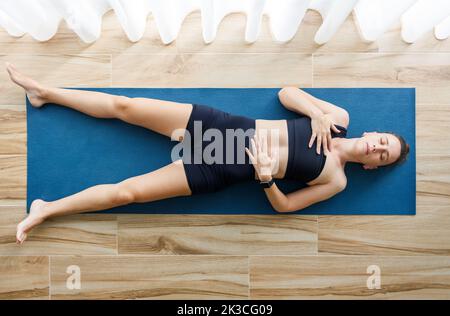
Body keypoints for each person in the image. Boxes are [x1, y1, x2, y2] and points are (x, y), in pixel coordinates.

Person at [5, 63, 409, 244]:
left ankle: (45, 208)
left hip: (223, 169)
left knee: (125, 194)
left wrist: (267, 178)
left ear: (372, 168)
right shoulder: (338, 117)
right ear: (373, 133)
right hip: (222, 128)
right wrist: (317, 113)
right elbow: (286, 93)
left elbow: (285, 207)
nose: (377, 149)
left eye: (383, 157)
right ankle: (45, 93)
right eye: (383, 142)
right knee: (125, 107)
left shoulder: (335, 180)